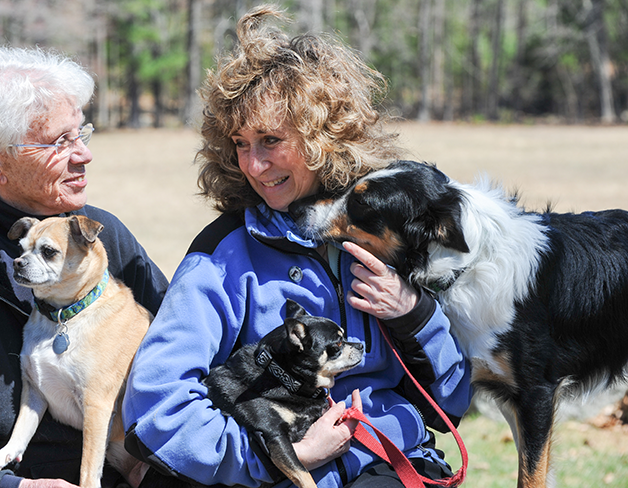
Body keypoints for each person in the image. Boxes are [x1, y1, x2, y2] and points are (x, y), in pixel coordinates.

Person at [122, 5, 471, 488]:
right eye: (240, 144)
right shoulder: (224, 251)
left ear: (324, 137)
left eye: (270, 139)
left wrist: (413, 313)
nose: (255, 165)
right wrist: (278, 458)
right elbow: (155, 405)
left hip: (386, 460)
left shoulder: (393, 229)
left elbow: (453, 399)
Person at [0, 39, 168, 488]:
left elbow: (180, 351)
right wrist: (15, 487)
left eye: (81, 133)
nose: (83, 154)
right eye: (59, 142)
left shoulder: (101, 234)